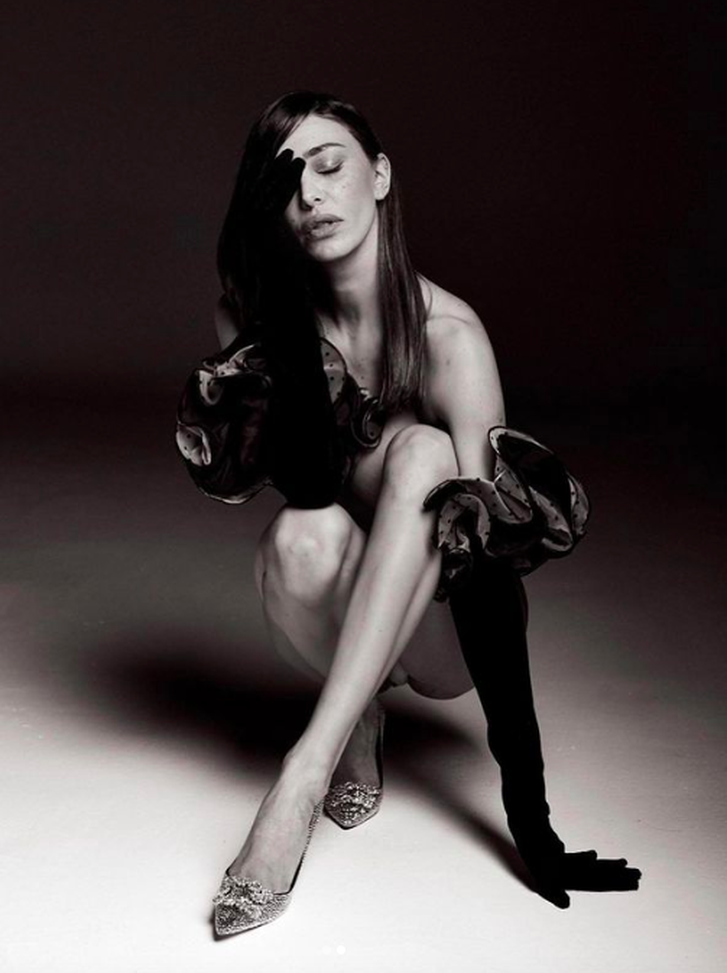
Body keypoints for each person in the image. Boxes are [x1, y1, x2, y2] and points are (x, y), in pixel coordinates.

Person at [175, 91, 641, 936]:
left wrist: (530, 820)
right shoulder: (257, 321)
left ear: (381, 176)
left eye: (330, 168)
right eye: (286, 183)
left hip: (445, 629)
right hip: (335, 595)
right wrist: (271, 284)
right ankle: (355, 720)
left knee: (425, 453)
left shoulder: (451, 338)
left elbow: (489, 578)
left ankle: (301, 775)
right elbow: (305, 482)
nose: (311, 196)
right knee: (299, 535)